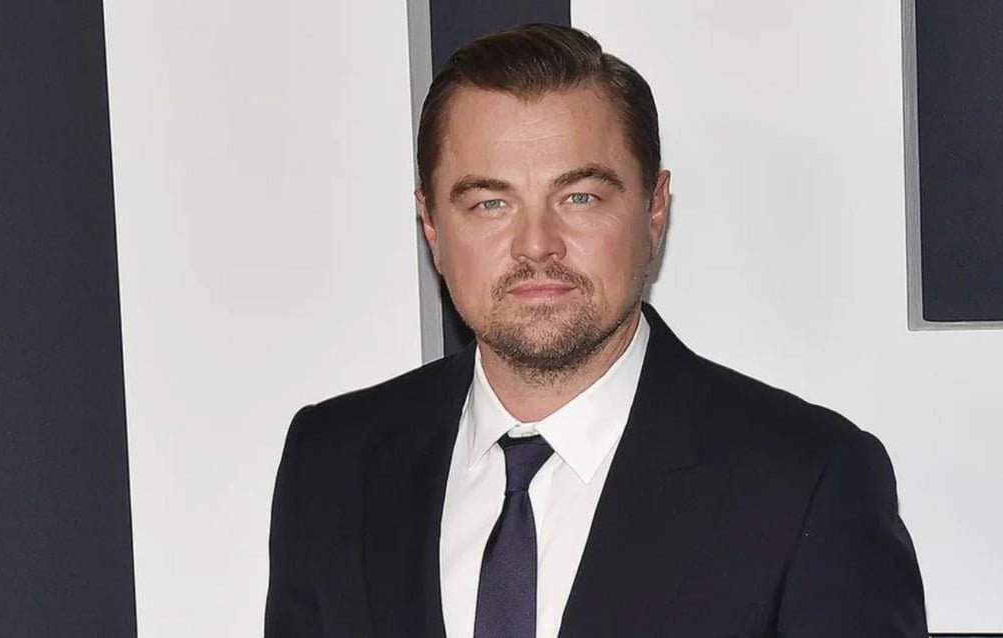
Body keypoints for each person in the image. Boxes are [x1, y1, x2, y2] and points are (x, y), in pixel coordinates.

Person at [265, 23, 927, 638]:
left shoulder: (805, 483)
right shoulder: (333, 466)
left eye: (579, 197)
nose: (536, 245)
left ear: (654, 209)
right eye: (490, 203)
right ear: (432, 226)